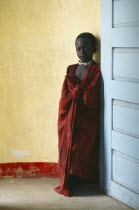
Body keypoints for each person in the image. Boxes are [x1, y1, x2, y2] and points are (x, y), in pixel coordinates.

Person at [54, 32, 101, 197]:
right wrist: (73, 95)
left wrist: (79, 92)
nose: (82, 52)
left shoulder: (95, 70)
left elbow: (92, 96)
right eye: (79, 48)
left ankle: (82, 176)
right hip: (69, 115)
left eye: (86, 48)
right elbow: (64, 94)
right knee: (67, 145)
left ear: (94, 48)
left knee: (83, 147)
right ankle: (69, 177)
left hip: (86, 118)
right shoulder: (71, 69)